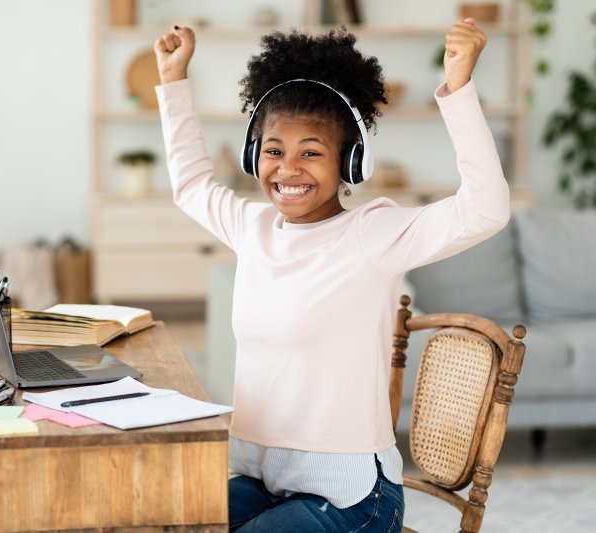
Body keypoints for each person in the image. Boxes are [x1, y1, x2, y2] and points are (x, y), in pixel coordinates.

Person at [153, 18, 509, 533]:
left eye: (311, 153)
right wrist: (173, 80)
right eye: (274, 150)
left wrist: (457, 90)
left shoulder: (374, 235)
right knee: (162, 520)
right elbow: (190, 185)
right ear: (255, 155)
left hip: (354, 496)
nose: (287, 169)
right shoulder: (252, 227)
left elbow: (486, 211)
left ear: (350, 161)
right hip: (265, 479)